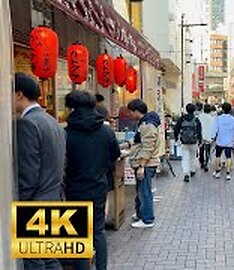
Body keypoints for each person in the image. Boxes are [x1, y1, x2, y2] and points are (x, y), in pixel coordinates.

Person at [14, 73, 66, 270]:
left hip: (35, 203)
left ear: (19, 94)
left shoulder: (27, 123)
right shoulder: (52, 121)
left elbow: (28, 173)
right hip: (55, 196)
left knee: (34, 261)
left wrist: (19, 204)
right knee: (50, 259)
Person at [64, 91, 120, 270]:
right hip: (98, 186)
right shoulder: (105, 131)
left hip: (74, 188)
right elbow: (115, 155)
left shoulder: (66, 132)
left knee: (80, 234)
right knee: (98, 232)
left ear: (72, 108)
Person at [125, 99, 161, 228]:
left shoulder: (147, 125)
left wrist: (141, 166)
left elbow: (147, 147)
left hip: (147, 163)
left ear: (136, 111)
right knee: (141, 191)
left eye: (130, 112)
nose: (129, 115)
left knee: (145, 191)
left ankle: (147, 219)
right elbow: (139, 142)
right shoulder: (144, 124)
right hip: (145, 162)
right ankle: (141, 214)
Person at [173, 103, 202, 182]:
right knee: (193, 156)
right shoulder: (196, 119)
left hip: (184, 141)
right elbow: (199, 131)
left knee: (185, 158)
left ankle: (186, 173)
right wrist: (200, 140)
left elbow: (176, 129)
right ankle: (192, 170)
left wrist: (177, 138)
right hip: (193, 141)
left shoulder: (182, 119)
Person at [213, 102, 234, 180]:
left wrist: (213, 137)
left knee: (218, 156)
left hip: (220, 140)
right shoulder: (233, 119)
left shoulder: (218, 118)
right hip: (229, 141)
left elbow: (215, 129)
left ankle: (217, 172)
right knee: (228, 157)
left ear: (222, 109)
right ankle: (228, 173)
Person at [197, 104, 215, 172]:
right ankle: (206, 164)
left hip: (201, 136)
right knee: (207, 151)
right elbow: (213, 128)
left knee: (201, 150)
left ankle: (201, 162)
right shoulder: (211, 118)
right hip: (208, 136)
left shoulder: (199, 117)